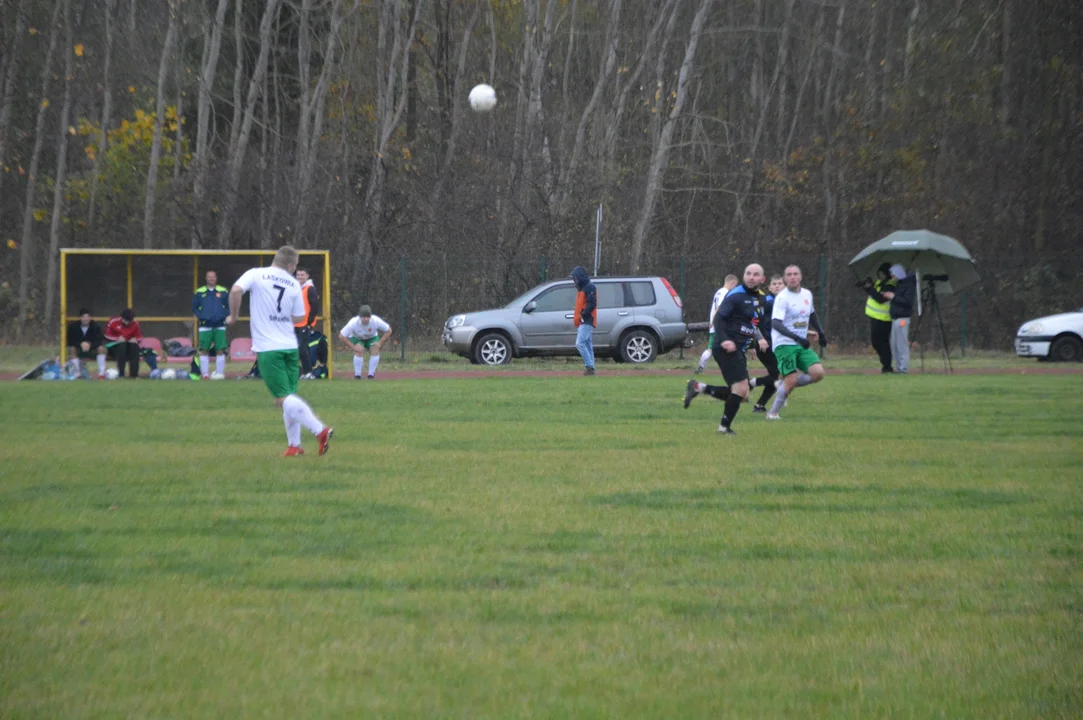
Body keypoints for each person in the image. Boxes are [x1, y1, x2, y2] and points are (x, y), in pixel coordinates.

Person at [227, 246, 333, 457]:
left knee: (283, 398)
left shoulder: (256, 274)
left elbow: (236, 290)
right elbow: (297, 317)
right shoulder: (294, 284)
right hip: (289, 347)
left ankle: (320, 430)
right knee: (289, 397)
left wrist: (233, 316)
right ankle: (294, 446)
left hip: (269, 348)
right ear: (291, 265)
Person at [683, 263, 766, 435]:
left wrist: (751, 345)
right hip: (726, 347)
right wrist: (724, 340)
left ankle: (699, 387)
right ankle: (723, 428)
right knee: (741, 389)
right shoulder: (736, 295)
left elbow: (751, 324)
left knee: (743, 395)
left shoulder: (761, 299)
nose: (751, 277)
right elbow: (718, 319)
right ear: (743, 277)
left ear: (762, 279)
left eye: (755, 274)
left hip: (739, 348)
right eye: (748, 273)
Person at [766, 265, 827, 419]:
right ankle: (772, 413)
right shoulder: (782, 298)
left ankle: (782, 386)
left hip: (800, 343)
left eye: (795, 274)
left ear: (800, 277)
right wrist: (798, 338)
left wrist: (821, 332)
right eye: (789, 275)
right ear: (785, 279)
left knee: (818, 373)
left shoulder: (807, 294)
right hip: (784, 343)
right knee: (791, 379)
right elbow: (776, 324)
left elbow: (811, 314)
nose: (792, 277)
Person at [748, 274, 783, 412]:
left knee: (776, 376)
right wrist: (758, 340)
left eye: (780, 283)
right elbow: (753, 321)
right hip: (765, 343)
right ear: (769, 287)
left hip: (776, 344)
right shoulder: (767, 302)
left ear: (784, 286)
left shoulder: (782, 302)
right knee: (779, 375)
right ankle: (751, 383)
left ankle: (760, 405)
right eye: (774, 284)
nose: (777, 286)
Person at [696, 274, 738, 374]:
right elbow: (719, 308)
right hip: (720, 326)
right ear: (731, 282)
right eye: (735, 285)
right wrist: (714, 322)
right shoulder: (725, 293)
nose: (735, 288)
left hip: (716, 325)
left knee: (717, 347)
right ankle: (701, 367)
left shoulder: (718, 292)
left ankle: (701, 367)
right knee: (713, 348)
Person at [192, 270, 230, 379]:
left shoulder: (223, 292)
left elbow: (228, 307)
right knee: (204, 350)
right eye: (209, 277)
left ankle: (219, 374)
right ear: (206, 278)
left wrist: (222, 316)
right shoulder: (199, 292)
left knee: (220, 350)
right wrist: (202, 316)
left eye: (213, 277)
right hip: (205, 326)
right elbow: (194, 308)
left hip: (220, 325)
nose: (211, 279)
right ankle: (205, 375)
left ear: (216, 278)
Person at [339, 305, 393, 379]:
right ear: (360, 317)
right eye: (364, 317)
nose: (366, 319)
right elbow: (341, 336)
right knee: (359, 349)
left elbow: (389, 330)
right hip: (357, 337)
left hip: (371, 337)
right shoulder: (353, 323)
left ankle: (371, 375)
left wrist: (380, 343)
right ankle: (357, 375)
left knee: (375, 349)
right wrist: (353, 347)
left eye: (368, 317)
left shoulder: (375, 320)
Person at [862, 262, 897, 373]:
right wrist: (866, 286)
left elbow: (880, 299)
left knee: (881, 342)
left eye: (882, 273)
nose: (880, 276)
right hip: (876, 317)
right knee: (877, 342)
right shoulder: (880, 283)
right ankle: (886, 364)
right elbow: (874, 292)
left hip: (884, 318)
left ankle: (887, 365)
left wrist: (870, 288)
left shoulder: (891, 285)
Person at [888, 263, 917, 374]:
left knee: (901, 344)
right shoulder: (900, 285)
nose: (892, 277)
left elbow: (908, 302)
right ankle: (899, 367)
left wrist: (893, 297)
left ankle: (903, 368)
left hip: (903, 319)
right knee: (894, 344)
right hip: (895, 318)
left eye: (894, 275)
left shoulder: (909, 285)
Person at [294, 267, 321, 378]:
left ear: (307, 276)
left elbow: (314, 306)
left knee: (303, 348)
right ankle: (301, 371)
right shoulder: (296, 288)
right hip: (295, 323)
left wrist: (310, 321)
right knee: (295, 349)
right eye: (298, 275)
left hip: (304, 324)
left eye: (302, 275)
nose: (300, 277)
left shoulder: (310, 289)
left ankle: (309, 372)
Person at [570, 266, 597, 376]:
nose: (574, 281)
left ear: (580, 278)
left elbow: (592, 303)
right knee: (587, 344)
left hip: (587, 320)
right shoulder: (583, 289)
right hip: (584, 320)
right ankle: (591, 367)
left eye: (575, 279)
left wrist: (583, 314)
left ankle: (589, 366)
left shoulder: (589, 288)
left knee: (580, 343)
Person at [66, 308, 106, 379]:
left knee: (101, 348)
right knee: (72, 349)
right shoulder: (74, 326)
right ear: (80, 318)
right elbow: (71, 340)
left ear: (90, 318)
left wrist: (89, 345)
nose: (85, 319)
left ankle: (101, 374)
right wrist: (81, 344)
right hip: (79, 349)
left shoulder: (95, 326)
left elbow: (99, 340)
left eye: (87, 317)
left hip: (92, 349)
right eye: (83, 317)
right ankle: (77, 374)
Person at [104, 308, 143, 378]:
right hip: (114, 347)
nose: (127, 323)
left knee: (134, 347)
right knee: (122, 346)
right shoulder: (113, 322)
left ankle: (134, 375)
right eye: (126, 321)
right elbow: (106, 336)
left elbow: (140, 337)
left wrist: (135, 339)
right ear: (122, 318)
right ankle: (121, 374)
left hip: (128, 346)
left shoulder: (135, 324)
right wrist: (117, 339)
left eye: (129, 321)